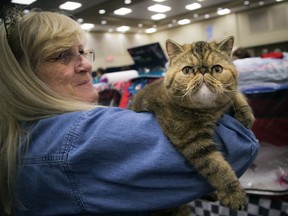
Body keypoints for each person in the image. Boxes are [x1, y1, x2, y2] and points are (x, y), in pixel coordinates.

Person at [0, 7, 259, 216]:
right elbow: (238, 145)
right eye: (61, 56)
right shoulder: (81, 135)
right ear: (23, 75)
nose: (86, 66)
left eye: (82, 52)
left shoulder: (24, 133)